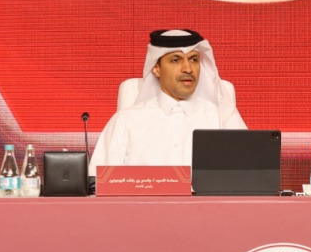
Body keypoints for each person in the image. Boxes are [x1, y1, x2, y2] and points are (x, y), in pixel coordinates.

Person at [91, 29, 246, 170]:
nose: (188, 69)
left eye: (193, 59)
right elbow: (98, 183)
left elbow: (249, 176)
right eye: (175, 60)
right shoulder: (126, 121)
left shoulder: (221, 118)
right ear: (156, 68)